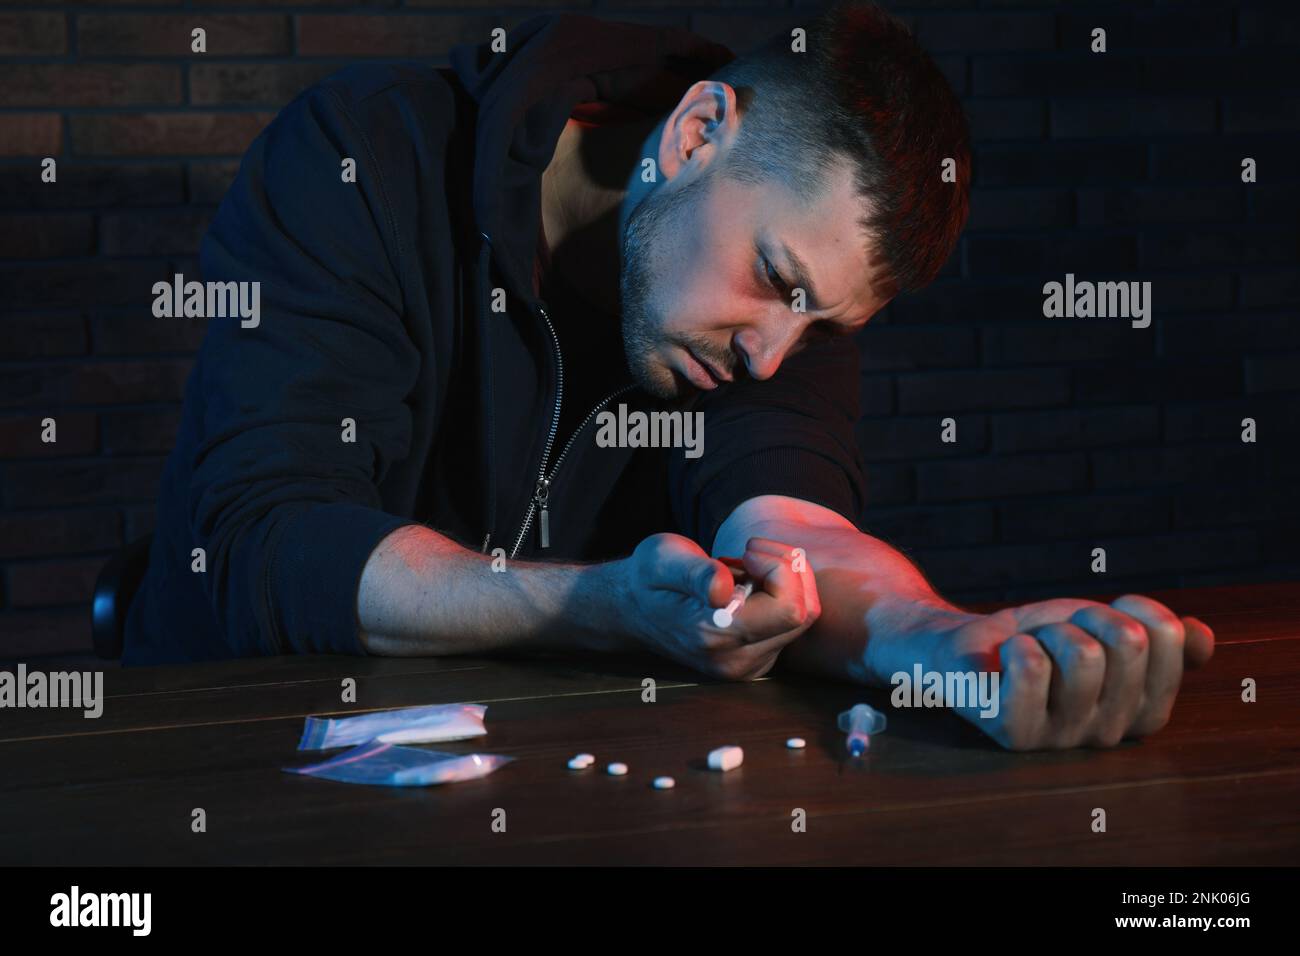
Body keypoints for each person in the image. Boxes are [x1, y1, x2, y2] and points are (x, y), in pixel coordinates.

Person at [124, 2, 1214, 751]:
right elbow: (263, 539)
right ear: (696, 132)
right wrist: (600, 606)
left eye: (820, 326)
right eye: (775, 278)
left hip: (529, 779)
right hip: (221, 746)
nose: (771, 356)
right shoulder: (361, 156)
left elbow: (796, 533)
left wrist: (945, 641)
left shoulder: (776, 314)